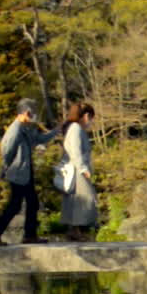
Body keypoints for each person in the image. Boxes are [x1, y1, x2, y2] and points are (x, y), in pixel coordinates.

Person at [0, 98, 57, 245]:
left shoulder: (25, 128)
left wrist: (57, 131)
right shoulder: (15, 130)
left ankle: (29, 235)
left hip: (25, 170)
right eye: (32, 114)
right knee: (15, 205)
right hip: (17, 172)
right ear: (26, 113)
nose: (34, 118)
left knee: (32, 202)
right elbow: (7, 152)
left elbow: (38, 139)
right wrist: (4, 170)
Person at [59, 102, 98, 241]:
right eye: (91, 118)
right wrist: (83, 168)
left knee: (75, 200)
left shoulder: (74, 128)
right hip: (77, 170)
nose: (91, 122)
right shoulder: (76, 129)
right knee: (85, 198)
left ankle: (74, 231)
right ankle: (78, 230)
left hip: (76, 168)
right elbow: (75, 151)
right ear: (86, 116)